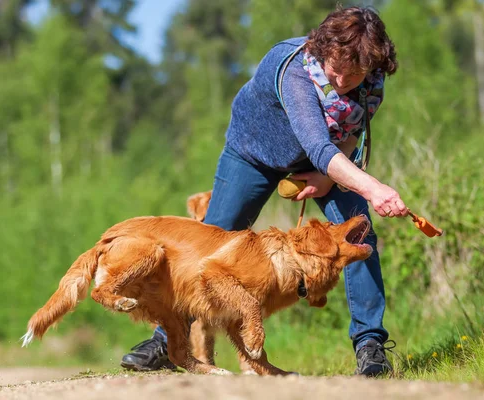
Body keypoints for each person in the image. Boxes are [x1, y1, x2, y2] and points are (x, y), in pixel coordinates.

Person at [121, 5, 407, 377]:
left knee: (358, 234)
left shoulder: (372, 79)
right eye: (335, 70)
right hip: (253, 153)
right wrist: (373, 187)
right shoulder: (294, 70)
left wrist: (330, 178)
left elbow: (351, 133)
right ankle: (165, 340)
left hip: (323, 161)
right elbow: (318, 144)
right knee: (212, 237)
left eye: (352, 75)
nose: (340, 81)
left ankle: (370, 346)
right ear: (323, 51)